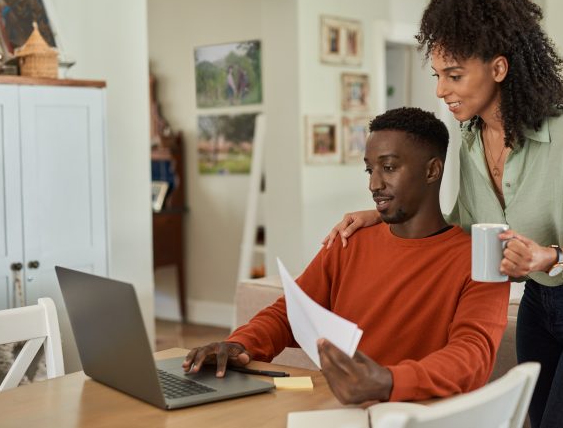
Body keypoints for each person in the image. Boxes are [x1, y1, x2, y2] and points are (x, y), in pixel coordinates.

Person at [323, 0, 563, 428]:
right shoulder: (471, 136)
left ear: (498, 68)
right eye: (438, 75)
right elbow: (466, 221)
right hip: (540, 307)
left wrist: (547, 255)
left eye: (454, 75)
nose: (441, 90)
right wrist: (382, 216)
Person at [183, 107, 509, 405]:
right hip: (339, 410)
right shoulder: (349, 242)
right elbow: (289, 314)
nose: (374, 183)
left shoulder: (480, 259)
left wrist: (388, 381)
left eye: (389, 167)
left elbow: (472, 357)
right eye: (369, 169)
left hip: (419, 415)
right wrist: (240, 345)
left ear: (431, 171)